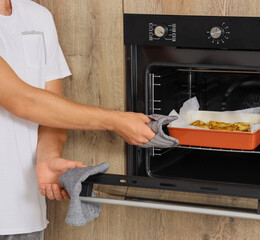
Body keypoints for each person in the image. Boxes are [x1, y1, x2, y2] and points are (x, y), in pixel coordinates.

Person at [0, 0, 155, 239]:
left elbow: (52, 109)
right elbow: (23, 101)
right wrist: (115, 121)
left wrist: (48, 157)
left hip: (25, 215)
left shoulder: (37, 15)